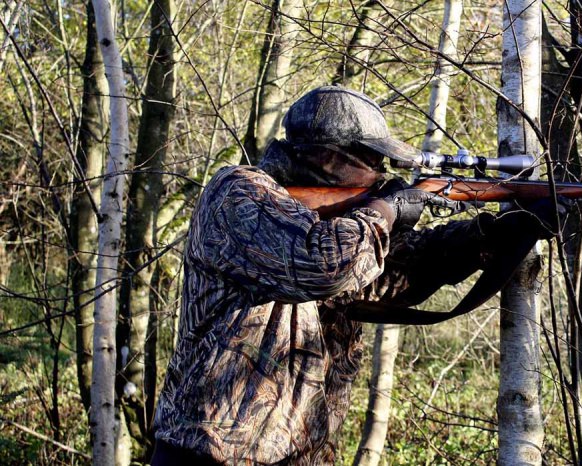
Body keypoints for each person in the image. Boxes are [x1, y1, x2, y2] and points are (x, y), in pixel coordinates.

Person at [151, 86, 560, 465]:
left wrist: (496, 234)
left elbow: (397, 278)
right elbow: (322, 265)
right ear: (326, 156)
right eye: (370, 159)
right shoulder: (239, 192)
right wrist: (386, 211)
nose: (380, 170)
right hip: (208, 454)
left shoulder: (340, 224)